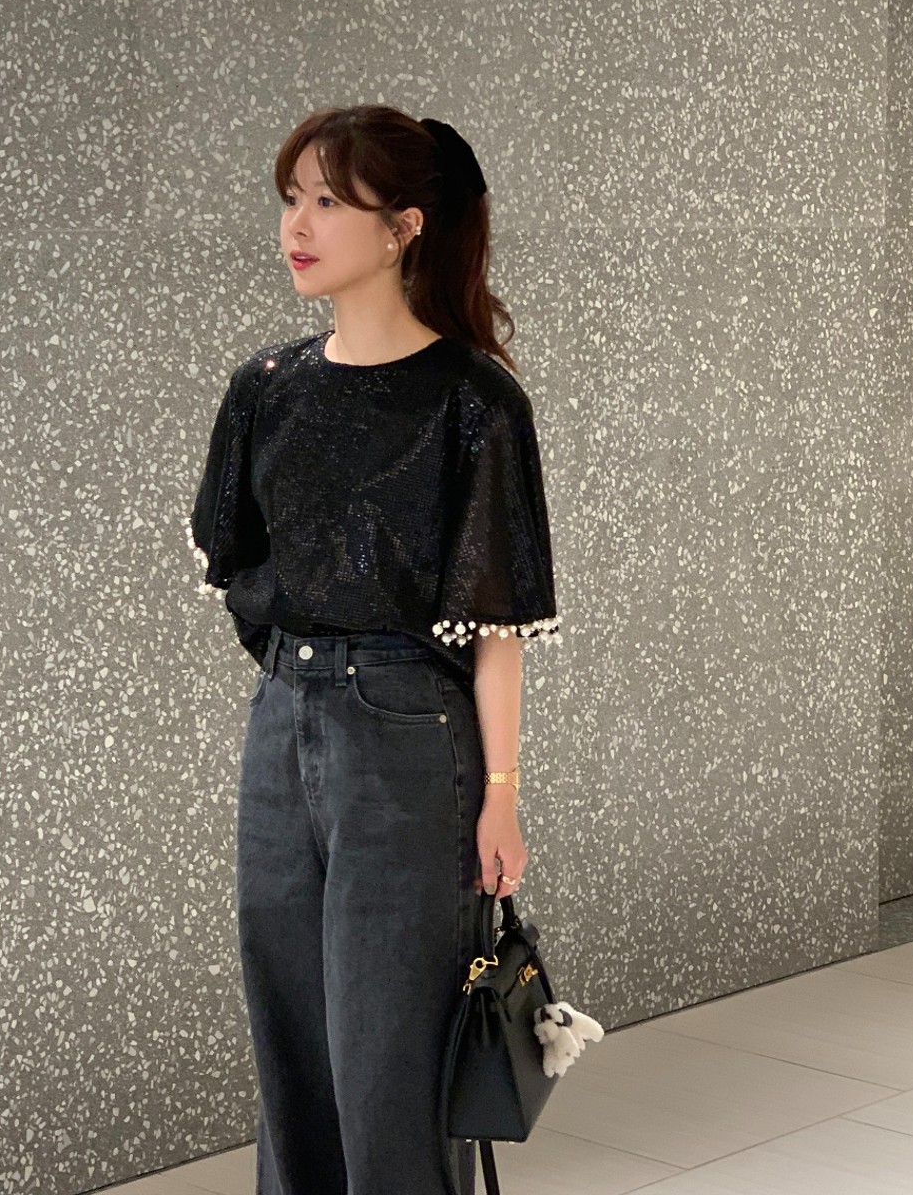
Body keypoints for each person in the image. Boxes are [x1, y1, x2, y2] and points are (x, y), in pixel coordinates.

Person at [186, 104, 561, 1195]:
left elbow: (496, 626)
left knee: (388, 1051)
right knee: (292, 1040)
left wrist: (501, 795)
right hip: (281, 726)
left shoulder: (475, 402)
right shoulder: (266, 388)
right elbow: (245, 574)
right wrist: (301, 685)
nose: (296, 226)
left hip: (408, 738)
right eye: (290, 199)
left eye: (327, 202)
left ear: (403, 227)